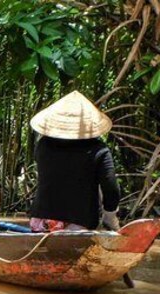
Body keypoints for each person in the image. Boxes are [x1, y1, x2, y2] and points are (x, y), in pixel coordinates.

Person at [28, 91, 120, 231]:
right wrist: (110, 217)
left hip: (42, 221)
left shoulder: (43, 145)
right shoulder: (98, 149)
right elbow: (111, 188)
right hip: (80, 222)